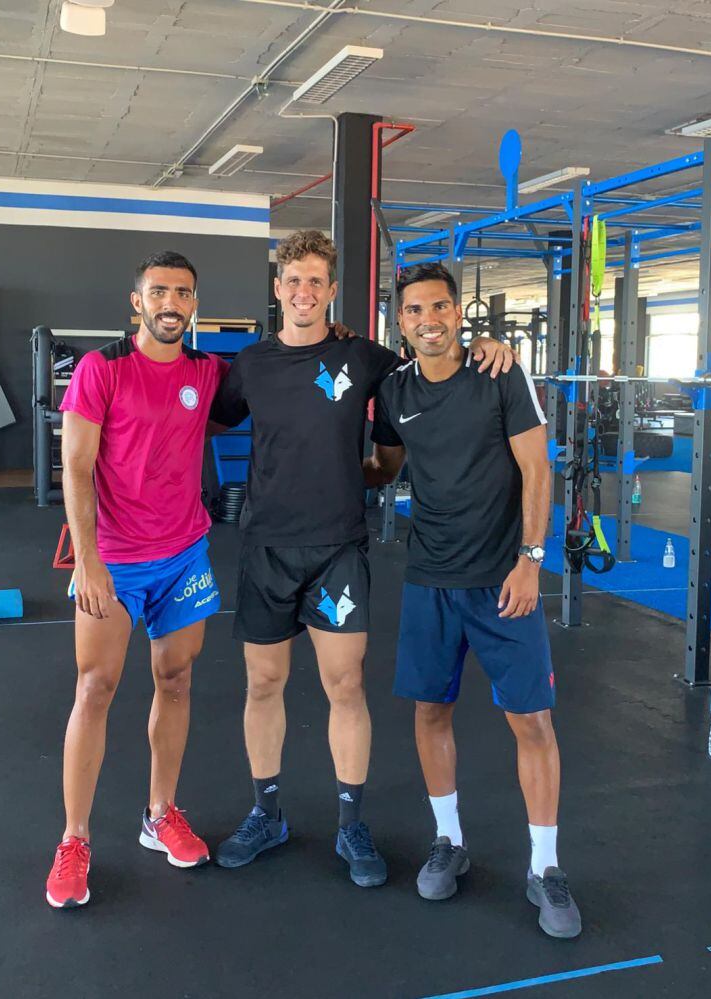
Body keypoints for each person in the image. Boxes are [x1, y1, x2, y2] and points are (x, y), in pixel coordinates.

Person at [208, 230, 513, 888]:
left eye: (316, 280)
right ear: (277, 288)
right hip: (265, 547)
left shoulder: (364, 356)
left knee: (346, 687)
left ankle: (350, 822)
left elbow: (432, 362)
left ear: (330, 289)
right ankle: (267, 812)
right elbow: (210, 418)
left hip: (337, 548)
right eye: (293, 281)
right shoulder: (251, 364)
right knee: (263, 684)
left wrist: (488, 345)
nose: (303, 292)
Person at [364, 261, 582, 938]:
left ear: (460, 313)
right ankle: (449, 839)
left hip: (502, 579)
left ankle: (545, 866)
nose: (428, 320)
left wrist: (532, 559)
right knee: (431, 712)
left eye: (439, 307)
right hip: (431, 578)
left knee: (533, 722)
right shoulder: (395, 391)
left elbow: (536, 468)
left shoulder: (499, 375)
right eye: (414, 311)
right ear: (399, 322)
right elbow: (385, 467)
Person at [45, 251, 226, 908]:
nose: (171, 302)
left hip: (183, 553)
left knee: (175, 680)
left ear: (194, 303)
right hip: (115, 559)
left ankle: (160, 813)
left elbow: (283, 376)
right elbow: (75, 466)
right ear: (137, 302)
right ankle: (74, 839)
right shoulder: (102, 369)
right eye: (159, 291)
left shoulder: (207, 372)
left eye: (183, 291)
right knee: (95, 688)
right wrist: (88, 559)